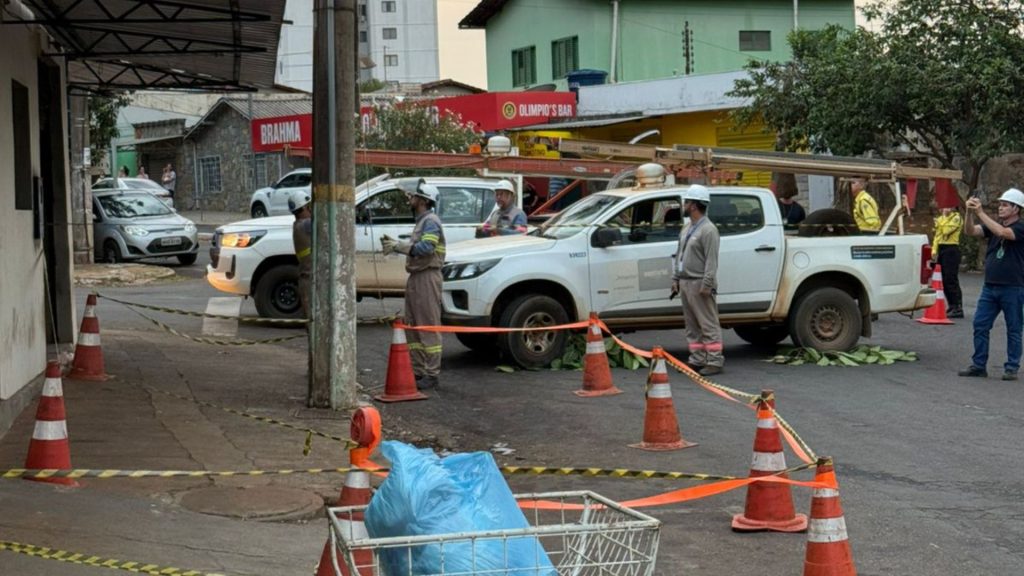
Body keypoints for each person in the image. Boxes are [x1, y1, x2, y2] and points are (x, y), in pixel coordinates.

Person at [381, 180, 446, 390]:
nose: (410, 198)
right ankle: (418, 370)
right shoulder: (422, 221)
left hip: (427, 277)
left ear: (424, 200)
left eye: (413, 196)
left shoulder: (431, 221)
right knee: (413, 326)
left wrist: (399, 247)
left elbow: (427, 248)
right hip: (417, 277)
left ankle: (431, 373)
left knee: (427, 325)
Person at [959, 188, 1024, 381]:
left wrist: (980, 212)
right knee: (980, 324)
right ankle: (979, 365)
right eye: (1000, 204)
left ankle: (1012, 367)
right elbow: (970, 231)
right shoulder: (993, 226)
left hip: (1013, 287)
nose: (1001, 208)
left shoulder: (1020, 228)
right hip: (990, 286)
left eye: (1005, 205)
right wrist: (970, 213)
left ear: (1016, 209)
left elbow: (1003, 232)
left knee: (1014, 328)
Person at [671, 184, 723, 376]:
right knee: (692, 326)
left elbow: (712, 260)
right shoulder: (687, 228)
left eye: (687, 201)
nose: (684, 205)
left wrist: (707, 284)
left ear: (693, 205)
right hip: (686, 282)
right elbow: (679, 254)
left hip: (699, 282)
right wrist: (676, 278)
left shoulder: (708, 230)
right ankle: (697, 359)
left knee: (708, 324)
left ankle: (715, 361)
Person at [931, 203, 963, 318]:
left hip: (951, 248)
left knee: (951, 278)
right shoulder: (941, 219)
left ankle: (957, 306)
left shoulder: (956, 217)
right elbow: (937, 236)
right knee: (943, 279)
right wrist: (934, 251)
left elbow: (946, 231)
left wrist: (940, 222)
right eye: (945, 206)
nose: (947, 208)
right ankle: (951, 305)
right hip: (941, 248)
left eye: (949, 206)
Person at [289, 192, 313, 319]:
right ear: (305, 208)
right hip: (311, 280)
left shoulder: (298, 225)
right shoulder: (306, 224)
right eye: (309, 206)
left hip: (306, 279)